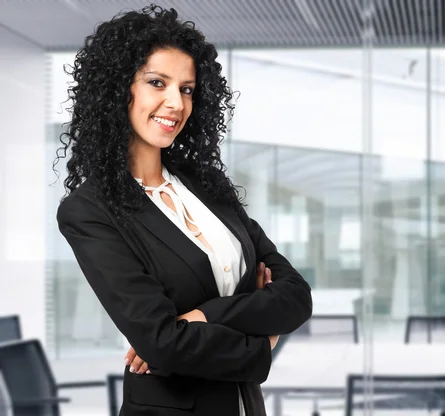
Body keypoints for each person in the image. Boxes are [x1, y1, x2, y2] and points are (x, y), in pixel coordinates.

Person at [54, 4, 312, 415]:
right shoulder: (90, 211)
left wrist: (205, 315)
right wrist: (264, 341)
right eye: (158, 83)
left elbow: (296, 296)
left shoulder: (208, 187)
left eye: (187, 89)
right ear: (119, 89)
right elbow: (163, 343)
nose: (175, 102)